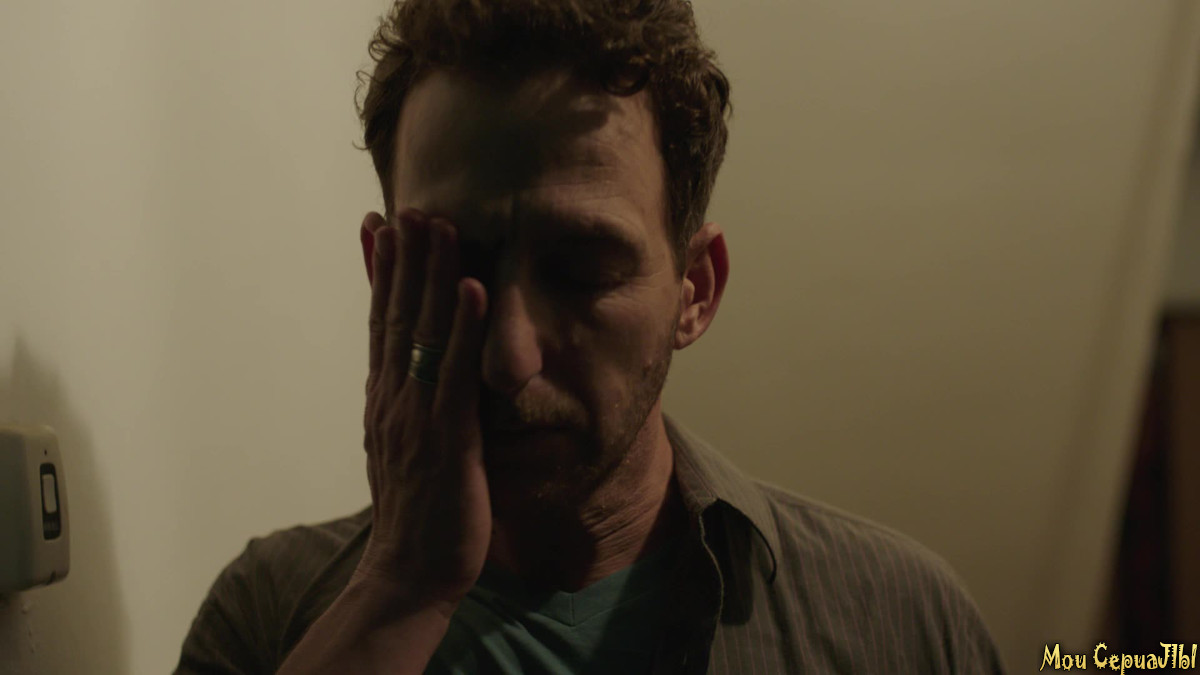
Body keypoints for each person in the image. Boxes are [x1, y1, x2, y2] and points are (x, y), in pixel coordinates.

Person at [175, 0, 1006, 673]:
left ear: (695, 288)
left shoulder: (904, 622)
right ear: (383, 272)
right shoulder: (269, 617)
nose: (510, 356)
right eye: (457, 265)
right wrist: (397, 590)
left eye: (582, 271)